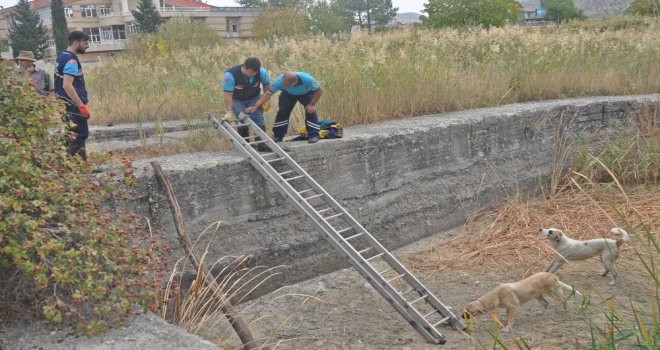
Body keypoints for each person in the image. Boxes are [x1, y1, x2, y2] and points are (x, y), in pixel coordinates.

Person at [246, 71, 324, 144]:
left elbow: (319, 91)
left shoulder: (307, 79)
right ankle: (278, 136)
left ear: (295, 81)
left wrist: (311, 104)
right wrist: (255, 106)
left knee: (310, 111)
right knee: (282, 112)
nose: (283, 86)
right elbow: (268, 94)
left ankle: (313, 135)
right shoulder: (279, 81)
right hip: (288, 94)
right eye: (283, 84)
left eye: (286, 85)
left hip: (306, 93)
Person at [54, 31, 91, 160]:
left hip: (64, 103)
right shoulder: (71, 61)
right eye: (85, 43)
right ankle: (70, 167)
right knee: (80, 134)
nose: (87, 46)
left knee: (71, 134)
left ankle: (81, 167)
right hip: (72, 106)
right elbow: (67, 85)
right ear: (76, 42)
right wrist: (81, 105)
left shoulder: (62, 56)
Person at [222, 57, 271, 151]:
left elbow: (266, 84)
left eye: (255, 72)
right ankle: (245, 144)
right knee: (242, 117)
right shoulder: (230, 75)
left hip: (254, 97)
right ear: (245, 67)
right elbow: (228, 95)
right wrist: (228, 112)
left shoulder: (261, 72)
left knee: (258, 117)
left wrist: (266, 100)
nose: (254, 74)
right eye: (252, 72)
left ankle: (261, 143)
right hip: (237, 99)